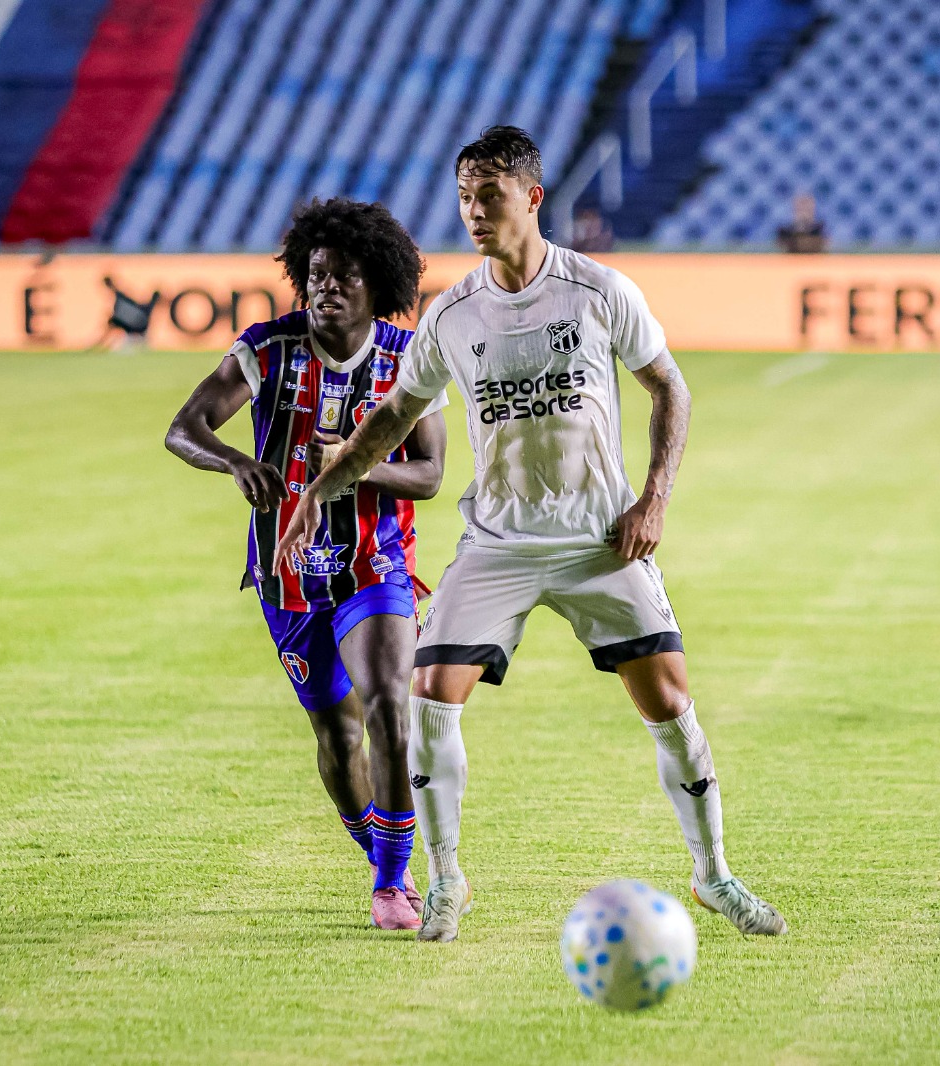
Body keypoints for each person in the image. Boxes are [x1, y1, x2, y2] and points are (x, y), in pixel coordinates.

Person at [276, 126, 786, 942]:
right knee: (430, 698)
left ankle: (714, 874)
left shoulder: (597, 289)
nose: (473, 211)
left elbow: (670, 389)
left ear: (532, 196)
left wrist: (653, 499)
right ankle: (445, 882)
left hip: (597, 540)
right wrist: (319, 489)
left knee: (672, 705)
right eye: (464, 196)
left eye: (490, 195)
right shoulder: (453, 315)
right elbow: (388, 424)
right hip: (499, 544)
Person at [165, 199, 449, 929]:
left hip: (373, 563)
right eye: (316, 274)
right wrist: (233, 461)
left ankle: (392, 883)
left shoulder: (406, 358)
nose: (325, 287)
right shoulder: (267, 349)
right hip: (287, 574)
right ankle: (377, 853)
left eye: (344, 275)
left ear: (376, 282)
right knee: (337, 735)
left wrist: (354, 468)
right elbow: (183, 428)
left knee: (388, 704)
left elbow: (428, 475)